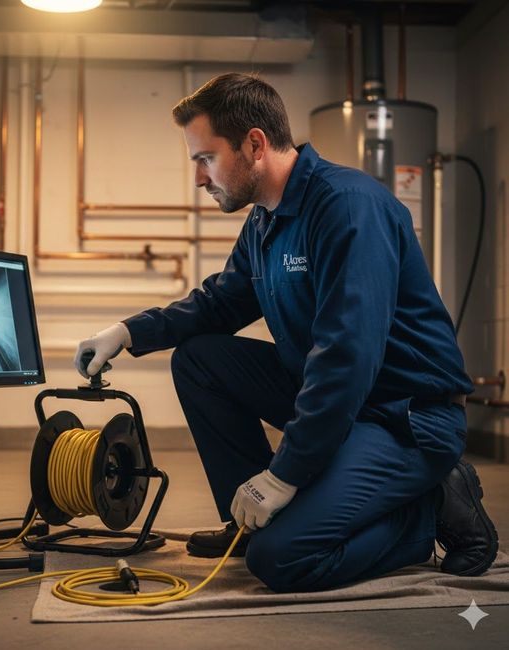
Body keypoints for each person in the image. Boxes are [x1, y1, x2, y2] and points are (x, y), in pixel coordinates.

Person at [74, 73, 498, 592]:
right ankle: (250, 522)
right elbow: (219, 304)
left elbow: (346, 358)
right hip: (345, 402)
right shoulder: (266, 222)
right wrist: (127, 332)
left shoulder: (347, 207)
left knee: (283, 561)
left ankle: (428, 511)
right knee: (200, 358)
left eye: (205, 159)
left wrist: (284, 476)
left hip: (404, 417)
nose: (200, 179)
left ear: (254, 144)